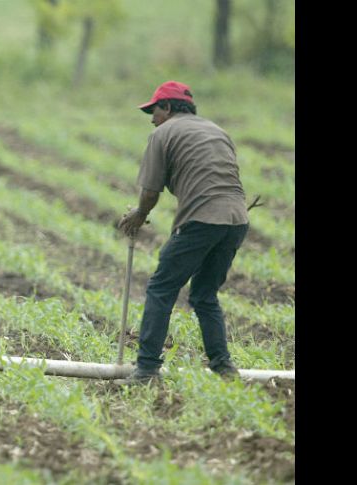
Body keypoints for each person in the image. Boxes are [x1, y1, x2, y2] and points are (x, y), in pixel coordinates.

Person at [117, 80, 249, 384]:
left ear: (169, 108)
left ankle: (147, 369)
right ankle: (224, 368)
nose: (152, 117)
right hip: (236, 220)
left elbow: (150, 191)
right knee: (204, 295)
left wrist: (139, 215)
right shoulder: (218, 131)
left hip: (202, 220)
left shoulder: (162, 133)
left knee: (161, 288)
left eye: (155, 110)